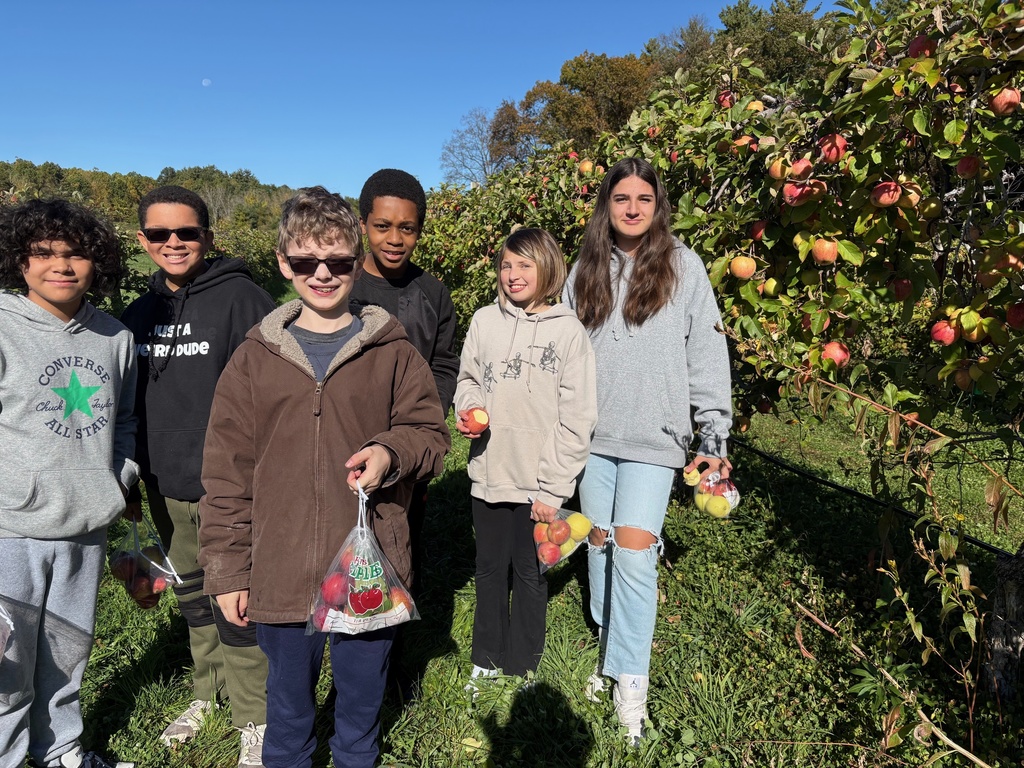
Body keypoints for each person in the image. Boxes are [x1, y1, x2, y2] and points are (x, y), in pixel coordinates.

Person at [197, 187, 450, 768]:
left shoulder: (391, 350)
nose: (322, 274)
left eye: (337, 262)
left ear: (354, 262)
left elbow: (431, 438)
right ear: (284, 263)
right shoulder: (255, 358)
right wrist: (231, 571)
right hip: (279, 570)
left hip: (366, 565)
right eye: (306, 261)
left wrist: (390, 452)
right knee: (286, 716)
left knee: (361, 713)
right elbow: (226, 473)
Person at [562, 158, 734, 745]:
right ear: (605, 206)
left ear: (658, 205)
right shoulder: (583, 267)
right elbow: (559, 348)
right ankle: (611, 648)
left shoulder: (684, 267)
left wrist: (714, 435)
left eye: (643, 198)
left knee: (635, 554)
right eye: (620, 199)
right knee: (599, 545)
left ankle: (631, 681)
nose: (632, 208)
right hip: (592, 436)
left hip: (657, 439)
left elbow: (707, 354)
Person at [119, 185, 275, 766]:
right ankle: (206, 690)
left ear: (208, 237)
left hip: (230, 487)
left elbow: (272, 393)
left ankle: (254, 715)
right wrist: (132, 485)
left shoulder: (243, 301)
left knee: (237, 600)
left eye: (186, 232)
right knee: (193, 597)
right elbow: (128, 404)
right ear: (144, 241)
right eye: (159, 234)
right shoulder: (139, 313)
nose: (174, 243)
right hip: (164, 484)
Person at [0, 199, 139, 768]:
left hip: (86, 523)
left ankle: (59, 751)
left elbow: (126, 419)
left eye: (75, 253)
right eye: (44, 253)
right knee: (7, 664)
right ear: (20, 261)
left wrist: (117, 479)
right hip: (11, 527)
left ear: (96, 262)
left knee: (67, 653)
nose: (61, 265)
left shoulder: (114, 337)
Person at [455, 227, 596, 691]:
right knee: (490, 568)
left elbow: (577, 417)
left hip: (538, 481)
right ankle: (487, 657)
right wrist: (468, 408)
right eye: (506, 265)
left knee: (531, 572)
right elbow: (468, 378)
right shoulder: (483, 322)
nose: (513, 275)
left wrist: (554, 487)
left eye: (525, 265)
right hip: (492, 472)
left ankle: (523, 663)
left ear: (548, 269)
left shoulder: (568, 332)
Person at [350, 168, 459, 582]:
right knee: (346, 542)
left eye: (407, 229)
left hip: (408, 444)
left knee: (400, 535)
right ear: (363, 226)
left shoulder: (432, 294)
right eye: (382, 226)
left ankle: (392, 632)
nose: (395, 239)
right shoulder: (343, 287)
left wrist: (427, 420)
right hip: (349, 437)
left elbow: (444, 362)